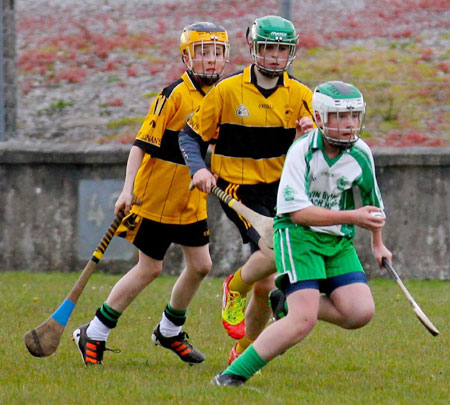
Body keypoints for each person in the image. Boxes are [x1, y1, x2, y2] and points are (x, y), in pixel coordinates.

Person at [212, 80, 393, 386]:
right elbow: (297, 212)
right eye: (340, 116)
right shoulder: (302, 151)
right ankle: (231, 375)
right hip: (297, 236)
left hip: (337, 242)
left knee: (360, 312)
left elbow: (374, 205)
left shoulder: (361, 153)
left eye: (354, 116)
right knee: (302, 320)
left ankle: (284, 299)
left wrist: (379, 244)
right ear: (320, 118)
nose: (349, 125)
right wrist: (352, 216)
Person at [72, 22, 230, 366]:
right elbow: (140, 146)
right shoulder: (172, 94)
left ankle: (169, 330)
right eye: (203, 52)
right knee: (150, 268)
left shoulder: (221, 97)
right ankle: (94, 333)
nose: (211, 61)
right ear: (187, 57)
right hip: (155, 198)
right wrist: (127, 189)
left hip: (190, 201)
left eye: (217, 53)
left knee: (202, 265)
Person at [179, 15, 314, 365]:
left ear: (291, 53)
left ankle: (244, 352)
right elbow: (190, 136)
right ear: (254, 48)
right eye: (267, 48)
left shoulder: (301, 96)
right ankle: (233, 286)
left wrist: (310, 133)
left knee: (265, 284)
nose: (274, 56)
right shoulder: (227, 91)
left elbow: (325, 148)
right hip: (236, 188)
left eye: (281, 50)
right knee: (271, 252)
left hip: (280, 191)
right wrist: (199, 169)